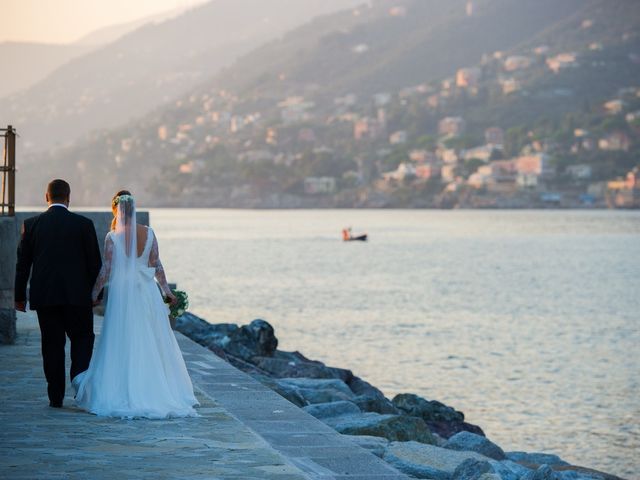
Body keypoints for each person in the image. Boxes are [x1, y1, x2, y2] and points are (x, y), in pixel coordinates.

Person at [73, 190, 198, 418]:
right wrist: (167, 291)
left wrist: (94, 293)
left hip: (123, 293)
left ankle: (126, 387)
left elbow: (107, 270)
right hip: (147, 291)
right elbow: (157, 265)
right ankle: (158, 389)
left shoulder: (112, 237)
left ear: (116, 210)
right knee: (151, 338)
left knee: (122, 339)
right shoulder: (149, 233)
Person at [15, 179, 102, 408]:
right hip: (78, 297)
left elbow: (22, 264)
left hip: (46, 297)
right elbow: (95, 264)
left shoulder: (31, 224)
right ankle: (80, 387)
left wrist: (19, 297)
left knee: (51, 345)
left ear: (47, 197)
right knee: (82, 339)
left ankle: (55, 397)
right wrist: (97, 295)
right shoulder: (84, 224)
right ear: (69, 197)